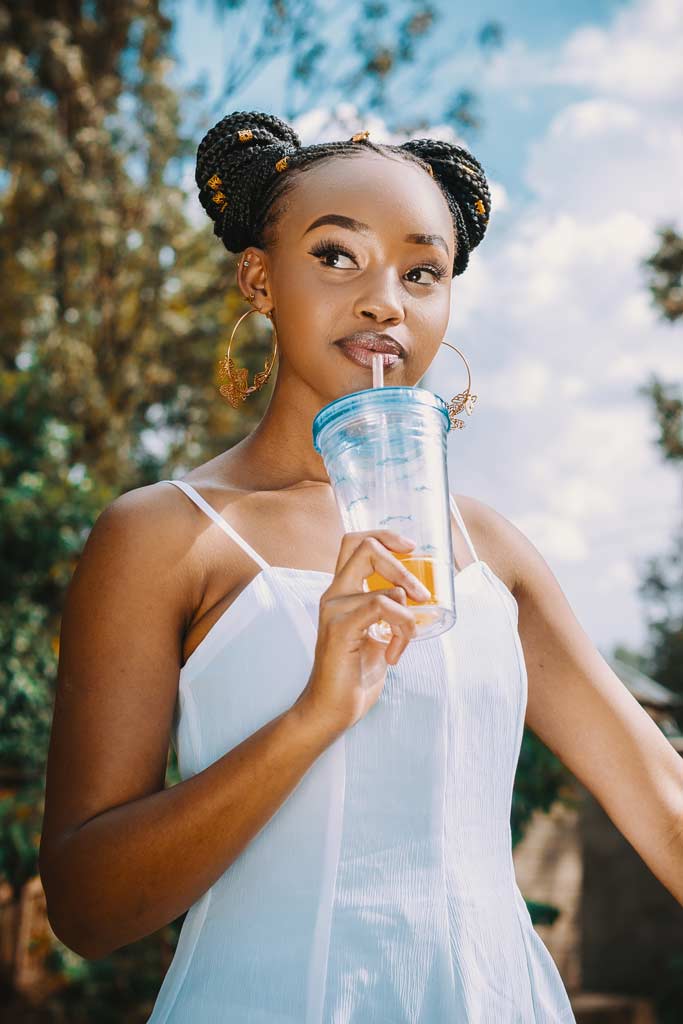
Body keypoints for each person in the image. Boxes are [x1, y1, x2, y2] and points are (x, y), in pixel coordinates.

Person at [39, 110, 683, 1023]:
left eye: (421, 272)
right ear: (258, 279)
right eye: (337, 255)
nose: (387, 300)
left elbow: (662, 806)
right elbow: (88, 909)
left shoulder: (491, 552)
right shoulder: (162, 536)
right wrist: (315, 714)